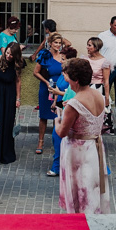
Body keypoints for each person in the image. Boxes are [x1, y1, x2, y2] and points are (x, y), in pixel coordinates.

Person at [56, 57, 110, 214]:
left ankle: (79, 226)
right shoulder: (98, 95)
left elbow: (62, 132)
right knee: (92, 187)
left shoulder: (74, 104)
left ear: (76, 80)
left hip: (78, 153)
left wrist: (57, 119)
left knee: (80, 192)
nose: (67, 81)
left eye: (69, 78)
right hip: (95, 148)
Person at [33, 32, 68, 155]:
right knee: (44, 115)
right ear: (50, 43)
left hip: (59, 89)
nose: (58, 45)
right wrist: (46, 82)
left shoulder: (63, 56)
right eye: (56, 42)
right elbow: (36, 72)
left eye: (60, 43)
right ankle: (40, 142)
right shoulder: (44, 55)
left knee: (57, 115)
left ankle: (56, 141)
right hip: (46, 87)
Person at [0, 41, 23, 165]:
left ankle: (5, 153)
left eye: (11, 54)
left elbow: (18, 81)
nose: (8, 56)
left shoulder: (17, 64)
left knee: (7, 123)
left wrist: (18, 98)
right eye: (7, 53)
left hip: (9, 95)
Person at [45, 47, 77, 177]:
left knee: (58, 136)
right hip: (60, 107)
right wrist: (54, 101)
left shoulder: (73, 76)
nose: (61, 61)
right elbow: (58, 86)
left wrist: (59, 94)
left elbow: (73, 94)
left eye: (63, 59)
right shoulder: (63, 72)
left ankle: (57, 166)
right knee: (57, 137)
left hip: (68, 109)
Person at [85, 36, 113, 134]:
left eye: (89, 45)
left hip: (97, 90)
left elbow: (106, 81)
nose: (87, 47)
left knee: (96, 118)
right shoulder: (86, 59)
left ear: (96, 47)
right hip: (86, 89)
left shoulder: (104, 62)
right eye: (87, 45)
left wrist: (106, 98)